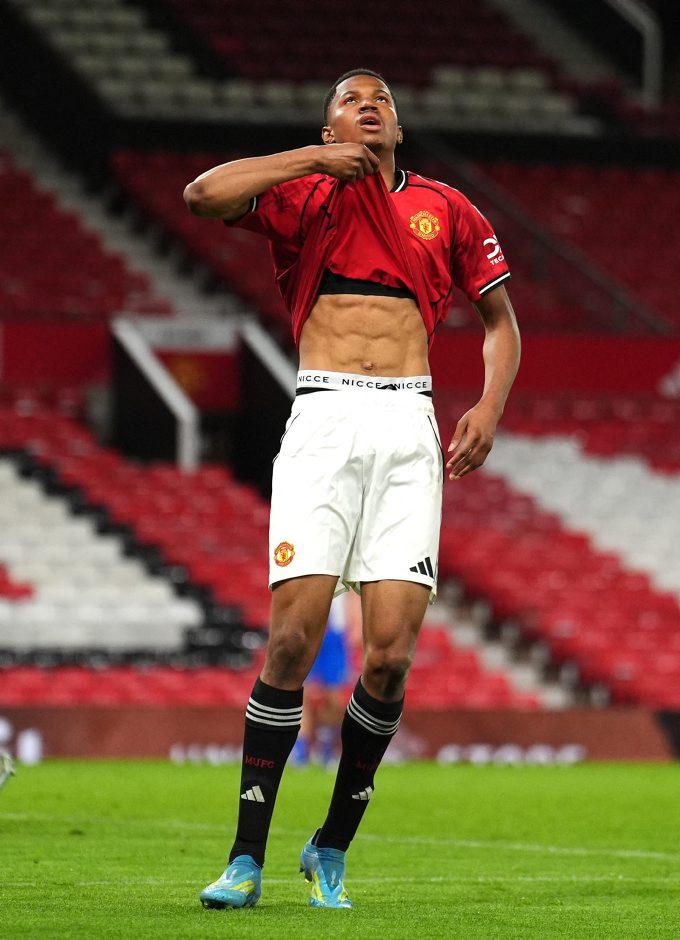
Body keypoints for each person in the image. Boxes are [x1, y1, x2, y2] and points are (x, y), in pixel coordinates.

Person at [184, 68, 521, 911]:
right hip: (325, 415)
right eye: (350, 99)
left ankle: (330, 845)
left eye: (384, 101)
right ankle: (245, 860)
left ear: (397, 130)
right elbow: (201, 195)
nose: (370, 105)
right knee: (292, 642)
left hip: (408, 422)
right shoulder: (302, 194)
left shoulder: (447, 208)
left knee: (392, 656)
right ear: (331, 127)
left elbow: (501, 321)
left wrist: (488, 405)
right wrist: (313, 159)